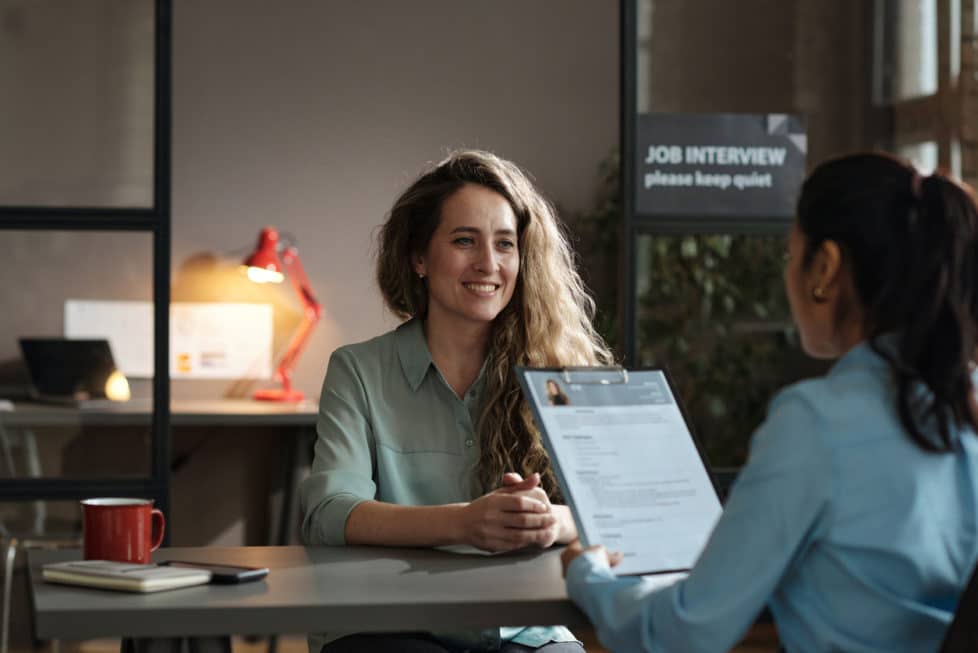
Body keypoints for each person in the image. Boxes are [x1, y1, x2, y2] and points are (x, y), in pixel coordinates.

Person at [561, 152, 978, 653]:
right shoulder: (963, 410)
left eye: (790, 254)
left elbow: (685, 631)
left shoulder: (817, 423)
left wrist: (588, 576)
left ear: (824, 266)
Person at [300, 149, 612, 653]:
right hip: (388, 626)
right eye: (465, 240)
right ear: (419, 258)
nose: (488, 264)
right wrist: (464, 522)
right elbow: (331, 513)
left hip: (524, 630)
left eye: (505, 244)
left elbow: (612, 512)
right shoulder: (357, 370)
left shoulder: (558, 375)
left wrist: (548, 520)